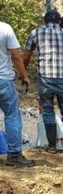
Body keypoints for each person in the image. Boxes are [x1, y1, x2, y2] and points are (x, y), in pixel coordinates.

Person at [24, 10, 63, 154]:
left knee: (48, 109)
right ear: (60, 21)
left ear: (44, 21)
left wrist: (23, 73)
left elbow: (27, 55)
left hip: (46, 77)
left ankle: (52, 146)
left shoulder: (36, 33)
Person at [0, 21, 35, 167]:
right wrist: (25, 76)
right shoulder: (5, 28)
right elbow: (15, 57)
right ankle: (14, 155)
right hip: (3, 80)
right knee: (12, 116)